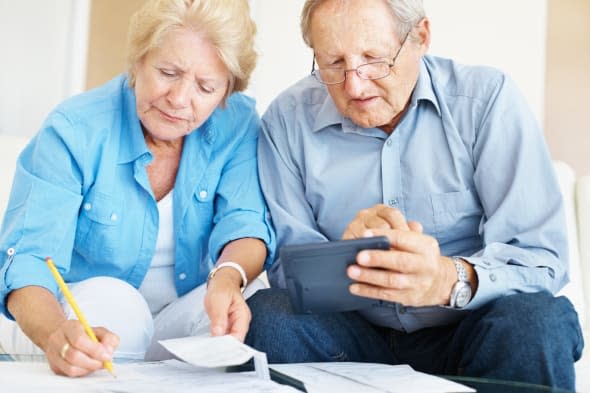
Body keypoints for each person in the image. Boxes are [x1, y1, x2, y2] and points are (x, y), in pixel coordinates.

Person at [245, 0, 583, 390]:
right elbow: (288, 272)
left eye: (374, 58)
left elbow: (541, 259)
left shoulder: (486, 100)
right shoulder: (287, 120)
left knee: (537, 320)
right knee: (270, 314)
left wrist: (446, 279)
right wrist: (341, 260)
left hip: (469, 330)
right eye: (333, 63)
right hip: (352, 336)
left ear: (420, 37)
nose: (354, 85)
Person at [0, 0, 274, 377]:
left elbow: (245, 222)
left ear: (227, 91)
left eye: (206, 87)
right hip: (71, 317)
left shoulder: (238, 122)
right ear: (138, 60)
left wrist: (227, 278)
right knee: (118, 304)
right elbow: (29, 261)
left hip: (172, 319)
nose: (179, 100)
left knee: (252, 302)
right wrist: (55, 335)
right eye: (167, 72)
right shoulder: (74, 129)